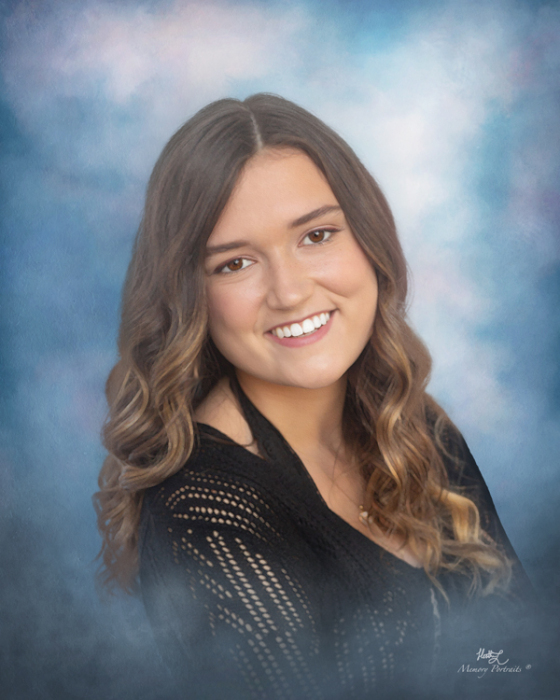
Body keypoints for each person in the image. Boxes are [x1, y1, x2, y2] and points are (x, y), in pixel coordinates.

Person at [94, 94, 539, 699]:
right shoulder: (205, 519)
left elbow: (520, 653)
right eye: (235, 264)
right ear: (190, 297)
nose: (290, 291)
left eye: (317, 235)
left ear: (369, 241)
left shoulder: (411, 422)